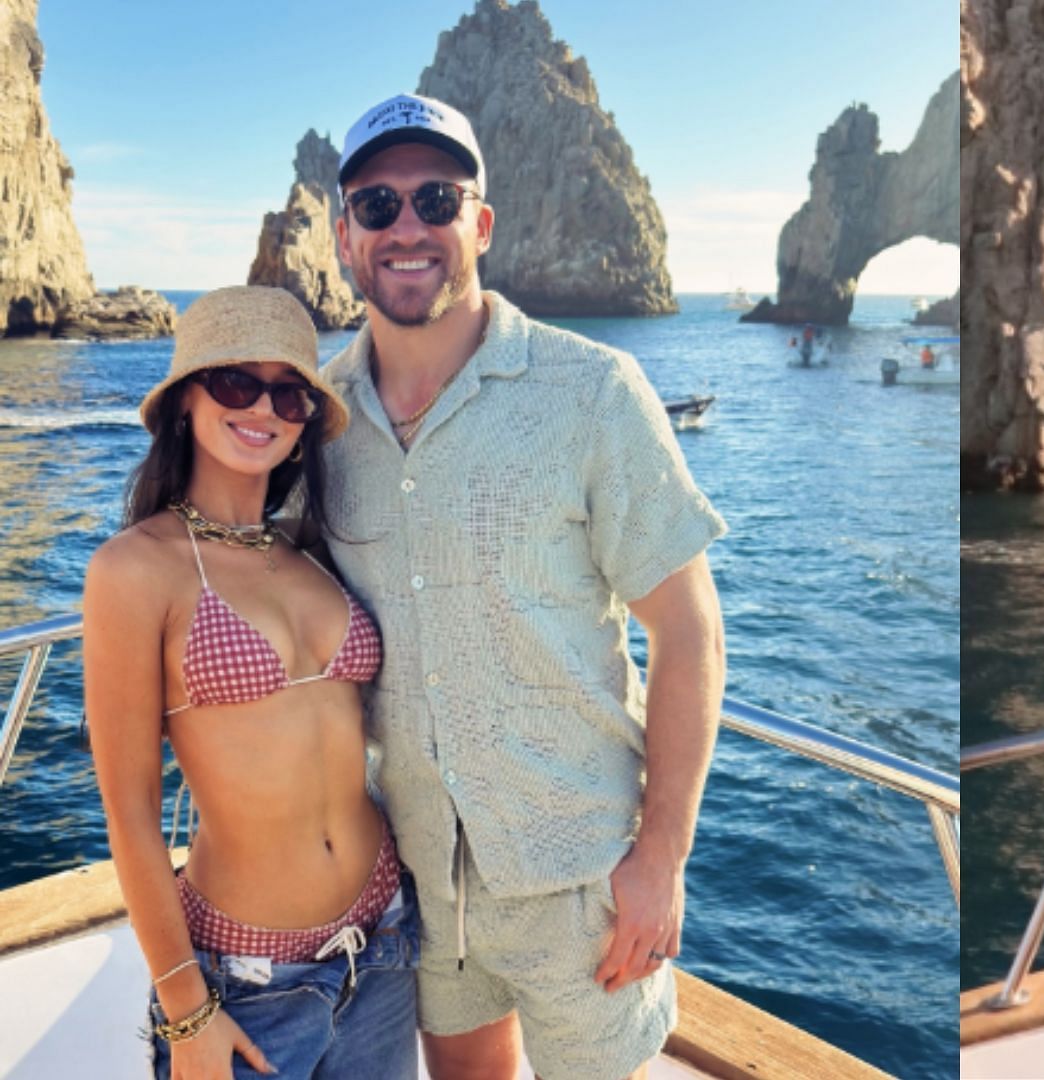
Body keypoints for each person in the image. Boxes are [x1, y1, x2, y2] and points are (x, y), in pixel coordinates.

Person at [322, 93, 727, 1080]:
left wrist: (660, 860)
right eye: (377, 206)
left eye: (436, 199)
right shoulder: (319, 419)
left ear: (482, 223)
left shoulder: (594, 392)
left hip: (582, 886)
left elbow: (690, 634)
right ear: (343, 236)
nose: (407, 227)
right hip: (425, 889)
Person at [83, 285, 419, 1079]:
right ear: (185, 403)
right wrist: (187, 1011)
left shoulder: (310, 550)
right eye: (237, 383)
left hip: (385, 947)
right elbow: (130, 818)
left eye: (290, 392)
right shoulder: (136, 570)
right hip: (248, 984)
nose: (263, 407)